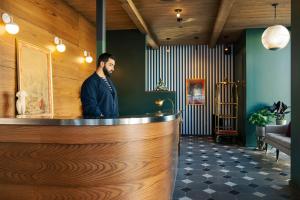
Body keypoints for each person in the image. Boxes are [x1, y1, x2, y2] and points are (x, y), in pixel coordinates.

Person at [80, 53, 119, 118]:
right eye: (110, 65)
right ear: (102, 64)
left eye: (113, 66)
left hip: (112, 123)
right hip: (100, 125)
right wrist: (102, 117)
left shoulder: (109, 81)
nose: (113, 69)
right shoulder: (90, 82)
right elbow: (90, 105)